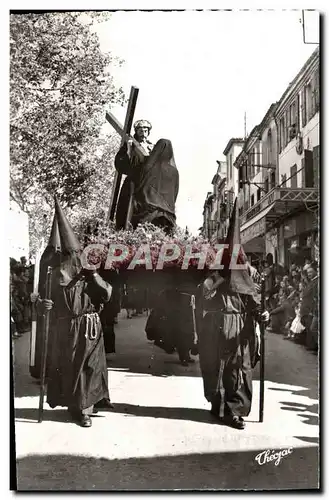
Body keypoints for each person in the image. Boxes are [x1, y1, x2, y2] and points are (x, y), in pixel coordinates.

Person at [35, 197, 114, 428]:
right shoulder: (53, 274)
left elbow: (107, 295)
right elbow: (41, 301)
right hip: (66, 328)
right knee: (73, 369)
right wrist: (43, 305)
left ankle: (85, 409)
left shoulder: (88, 271)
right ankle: (77, 406)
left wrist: (94, 275)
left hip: (89, 326)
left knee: (90, 368)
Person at [198, 199, 269, 430]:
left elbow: (256, 299)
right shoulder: (216, 271)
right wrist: (219, 278)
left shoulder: (249, 272)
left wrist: (263, 314)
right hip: (217, 325)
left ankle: (235, 411)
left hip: (240, 325)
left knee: (238, 369)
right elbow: (202, 294)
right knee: (216, 367)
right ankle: (217, 405)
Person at [115, 119, 154, 230]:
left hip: (147, 181)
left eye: (145, 130)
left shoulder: (151, 146)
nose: (143, 133)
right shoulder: (130, 144)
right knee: (129, 206)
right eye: (140, 131)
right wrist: (128, 150)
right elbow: (120, 164)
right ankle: (126, 230)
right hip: (133, 181)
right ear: (136, 132)